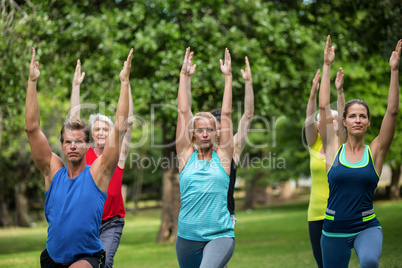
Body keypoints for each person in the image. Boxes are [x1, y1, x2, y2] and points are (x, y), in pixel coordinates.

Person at [25, 47, 133, 267]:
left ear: (88, 145)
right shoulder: (52, 170)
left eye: (79, 142)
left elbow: (121, 126)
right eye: (68, 142)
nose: (73, 146)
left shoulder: (98, 173)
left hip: (87, 257)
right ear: (62, 146)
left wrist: (124, 82)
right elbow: (32, 129)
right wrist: (32, 82)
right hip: (52, 257)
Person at [318, 36, 401, 268]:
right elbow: (324, 106)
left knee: (370, 262)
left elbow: (392, 112)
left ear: (367, 122)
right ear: (343, 121)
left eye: (362, 116)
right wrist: (326, 66)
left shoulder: (375, 151)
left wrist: (394, 71)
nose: (357, 120)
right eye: (352, 115)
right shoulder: (333, 148)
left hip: (366, 227)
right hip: (333, 229)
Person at [70, 60, 134, 268]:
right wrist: (76, 86)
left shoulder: (117, 156)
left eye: (105, 129)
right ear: (91, 134)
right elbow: (73, 122)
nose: (101, 133)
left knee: (104, 262)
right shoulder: (84, 155)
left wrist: (126, 82)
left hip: (111, 223)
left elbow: (127, 121)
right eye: (96, 129)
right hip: (85, 222)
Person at [175, 47, 235, 268]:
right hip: (186, 237)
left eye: (210, 129)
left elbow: (226, 114)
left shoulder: (224, 157)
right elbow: (183, 111)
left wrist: (228, 77)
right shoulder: (185, 156)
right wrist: (184, 77)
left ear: (216, 132)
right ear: (193, 133)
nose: (205, 133)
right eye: (200, 130)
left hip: (219, 235)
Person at [305, 68, 346, 268]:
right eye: (322, 120)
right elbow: (308, 120)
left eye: (331, 120)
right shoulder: (315, 143)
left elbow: (344, 119)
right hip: (315, 213)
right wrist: (313, 94)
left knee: (337, 262)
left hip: (339, 211)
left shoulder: (344, 145)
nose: (325, 123)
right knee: (321, 263)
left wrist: (339, 92)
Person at [210, 56, 254, 229]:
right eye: (216, 129)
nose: (220, 133)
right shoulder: (198, 150)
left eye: (223, 129)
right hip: (198, 219)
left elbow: (248, 115)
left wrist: (248, 83)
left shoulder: (232, 149)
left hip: (225, 218)